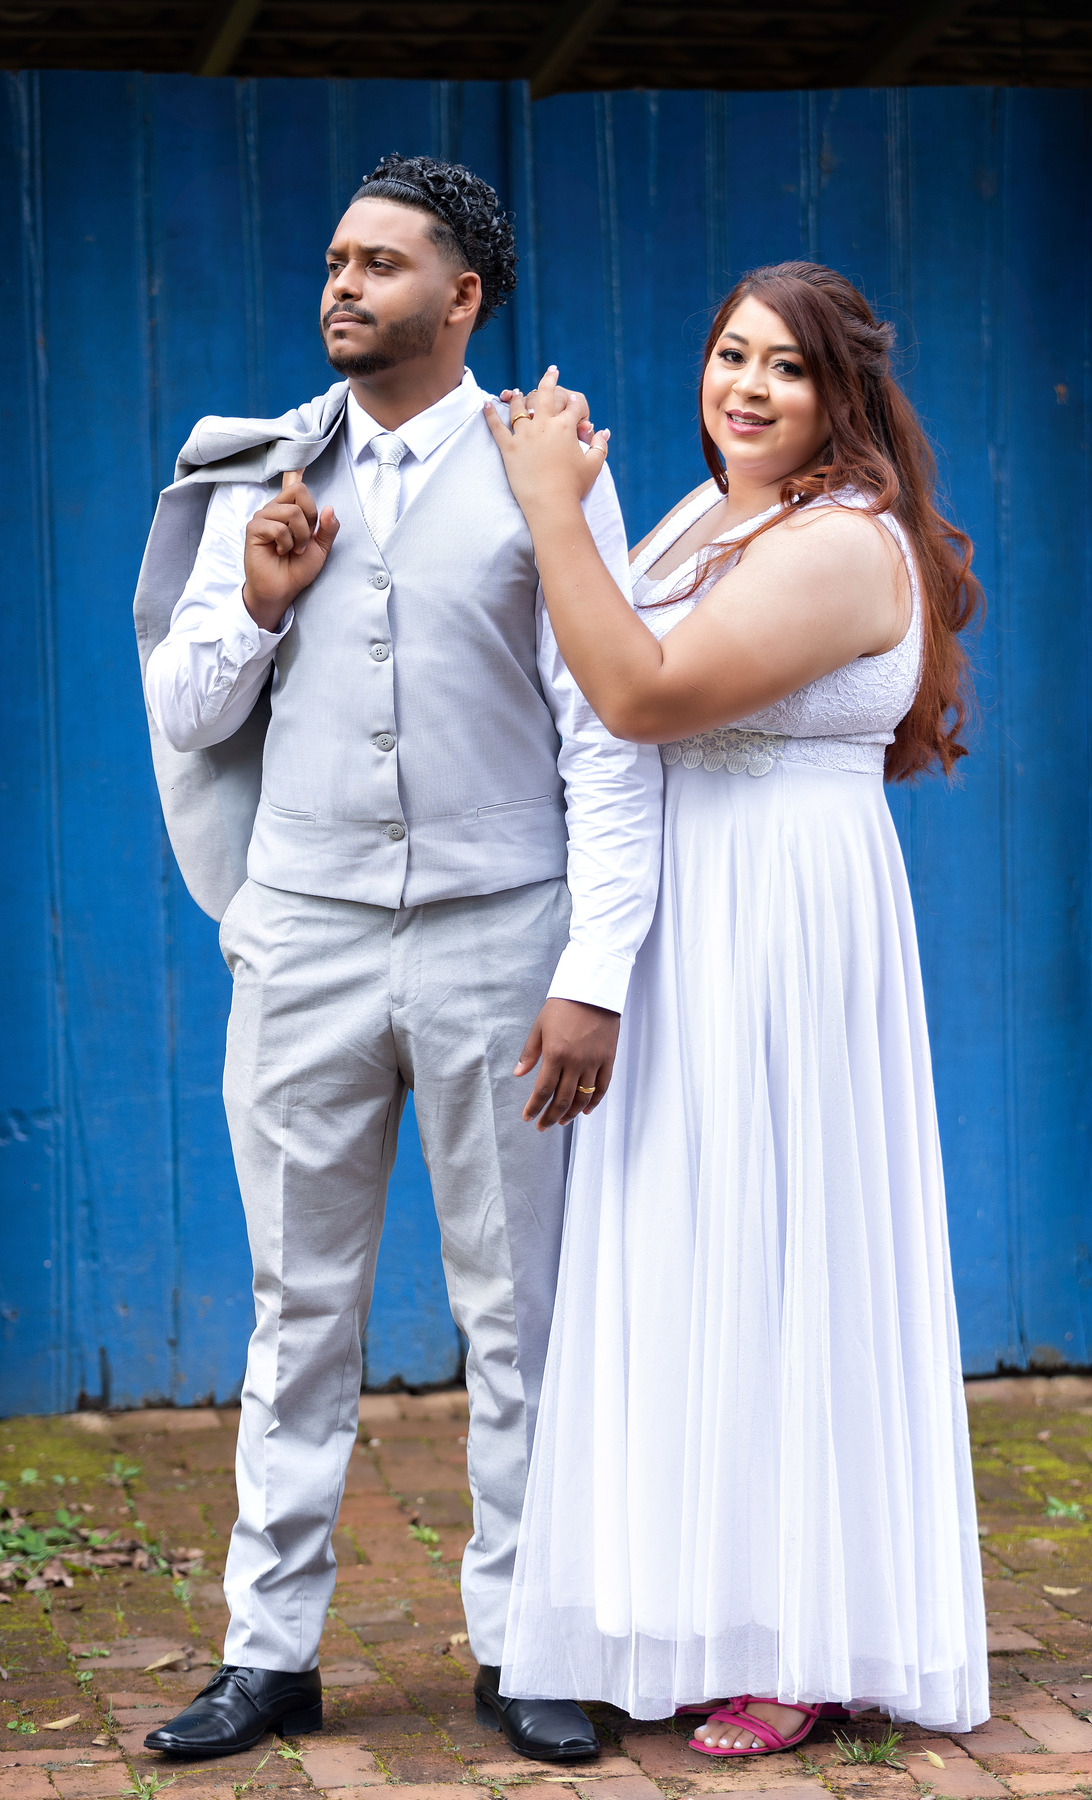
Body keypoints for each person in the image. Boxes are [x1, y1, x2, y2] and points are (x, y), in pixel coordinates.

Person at [132, 154, 662, 1763]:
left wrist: (595, 970)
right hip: (303, 942)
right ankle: (268, 1653)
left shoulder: (548, 472)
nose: (343, 286)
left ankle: (527, 1643)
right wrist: (258, 604)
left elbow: (609, 738)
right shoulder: (263, 470)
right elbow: (185, 715)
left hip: (504, 939)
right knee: (295, 1310)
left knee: (520, 1311)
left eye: (380, 264)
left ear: (464, 295)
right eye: (335, 262)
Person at [485, 261, 990, 1746]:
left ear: (846, 395)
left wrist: (551, 508)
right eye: (730, 354)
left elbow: (642, 695)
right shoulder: (712, 515)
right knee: (698, 1248)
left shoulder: (839, 540)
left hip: (782, 916)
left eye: (787, 366)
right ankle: (711, 1600)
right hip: (688, 915)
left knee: (788, 1247)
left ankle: (807, 1638)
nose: (748, 388)